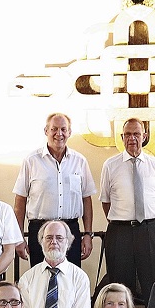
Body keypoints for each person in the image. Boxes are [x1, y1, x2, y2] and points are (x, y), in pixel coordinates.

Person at [12, 112, 97, 267]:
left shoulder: (80, 161)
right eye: (54, 129)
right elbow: (20, 200)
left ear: (69, 132)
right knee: (40, 279)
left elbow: (86, 199)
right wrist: (18, 237)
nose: (59, 134)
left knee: (70, 280)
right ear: (46, 131)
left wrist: (88, 234)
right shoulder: (32, 161)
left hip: (70, 231)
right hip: (40, 231)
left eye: (64, 129)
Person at [99, 118, 155, 302]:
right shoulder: (110, 165)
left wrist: (144, 223)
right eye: (128, 134)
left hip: (148, 230)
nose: (132, 138)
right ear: (122, 137)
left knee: (152, 285)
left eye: (136, 134)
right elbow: (106, 202)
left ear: (144, 136)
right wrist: (125, 221)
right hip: (120, 232)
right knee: (120, 289)